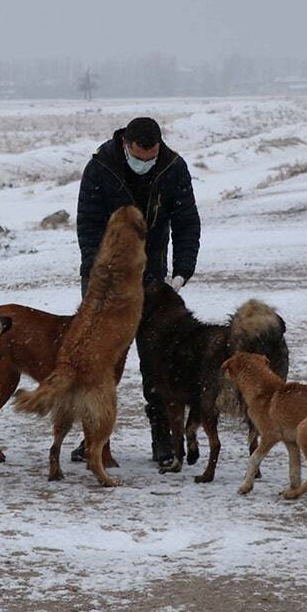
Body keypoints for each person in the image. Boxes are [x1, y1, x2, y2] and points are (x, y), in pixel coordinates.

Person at [75, 116, 200, 464]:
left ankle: (161, 435)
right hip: (106, 276)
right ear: (126, 145)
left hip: (152, 274)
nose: (145, 163)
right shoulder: (101, 167)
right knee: (99, 360)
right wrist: (98, 270)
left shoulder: (173, 167)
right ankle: (92, 435)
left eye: (151, 157)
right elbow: (87, 224)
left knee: (157, 358)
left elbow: (186, 220)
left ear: (159, 146)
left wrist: (181, 271)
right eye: (139, 156)